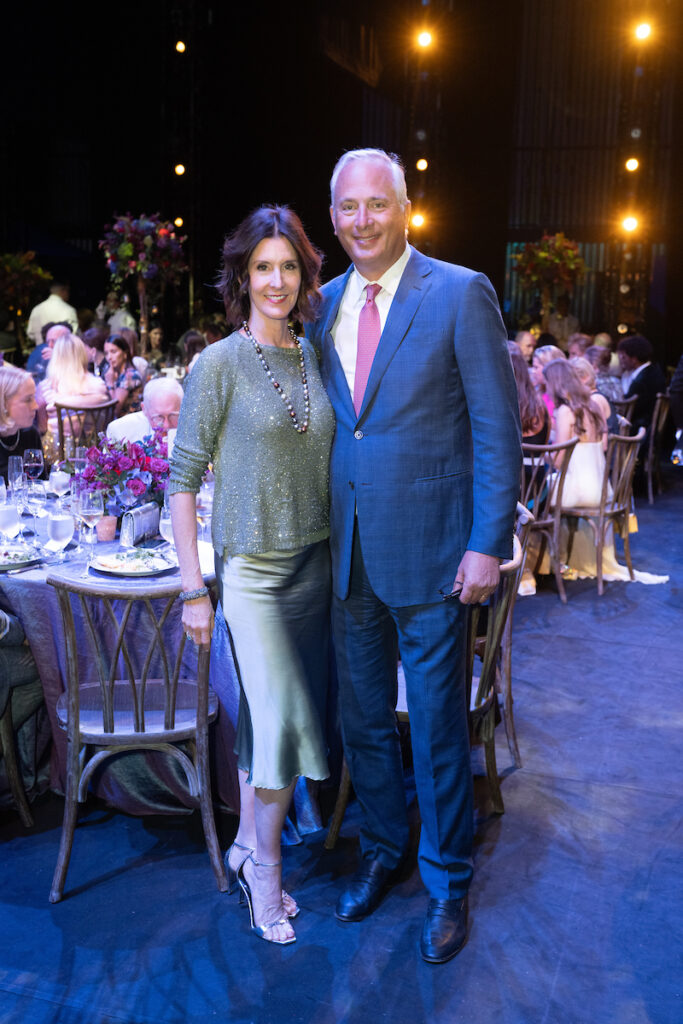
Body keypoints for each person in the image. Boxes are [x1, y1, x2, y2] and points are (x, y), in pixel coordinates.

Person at [308, 148, 521, 963]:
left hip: (435, 554)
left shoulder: (460, 293)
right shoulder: (319, 305)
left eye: (377, 205)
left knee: (434, 726)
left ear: (405, 209)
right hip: (347, 552)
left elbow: (496, 431)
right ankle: (380, 851)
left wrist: (485, 545)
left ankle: (447, 882)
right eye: (347, 208)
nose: (362, 220)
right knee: (362, 719)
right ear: (332, 218)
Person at [169, 205, 335, 947]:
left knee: (275, 730)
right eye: (262, 267)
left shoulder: (315, 354)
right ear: (242, 276)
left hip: (317, 566)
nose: (276, 280)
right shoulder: (217, 363)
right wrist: (191, 587)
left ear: (305, 275)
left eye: (288, 266)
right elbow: (180, 481)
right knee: (280, 723)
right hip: (253, 576)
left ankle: (243, 846)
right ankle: (264, 868)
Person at [542, 359, 666, 585]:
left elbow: (559, 460)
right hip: (602, 489)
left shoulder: (565, 411)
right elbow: (605, 446)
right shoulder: (594, 405)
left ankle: (548, 564)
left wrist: (544, 454)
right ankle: (564, 559)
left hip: (578, 492)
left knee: (535, 495)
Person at [36, 333, 108, 459]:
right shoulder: (99, 385)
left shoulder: (46, 388)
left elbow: (42, 427)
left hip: (56, 455)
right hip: (93, 453)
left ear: (56, 357)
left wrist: (58, 403)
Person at [107, 377, 183, 443]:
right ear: (144, 409)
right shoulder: (120, 431)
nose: (166, 425)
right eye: (159, 417)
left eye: (173, 416)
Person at [617, 334, 667, 431]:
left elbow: (627, 409)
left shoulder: (642, 381)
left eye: (624, 357)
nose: (621, 360)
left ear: (634, 359)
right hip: (647, 426)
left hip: (639, 429)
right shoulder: (653, 370)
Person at [0, 365, 42, 482]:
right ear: (3, 403)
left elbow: (41, 485)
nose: (36, 406)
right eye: (28, 400)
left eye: (34, 398)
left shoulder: (30, 434)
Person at [26, 282, 78, 349]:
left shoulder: (36, 309)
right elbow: (74, 333)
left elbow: (31, 333)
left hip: (41, 352)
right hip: (62, 353)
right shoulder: (69, 310)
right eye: (68, 291)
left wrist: (41, 341)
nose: (69, 294)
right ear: (63, 290)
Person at [102, 335, 143, 416]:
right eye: (106, 353)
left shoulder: (130, 376)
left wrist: (110, 383)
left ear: (125, 354)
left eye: (113, 352)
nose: (109, 357)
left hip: (129, 424)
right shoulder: (115, 373)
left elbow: (115, 410)